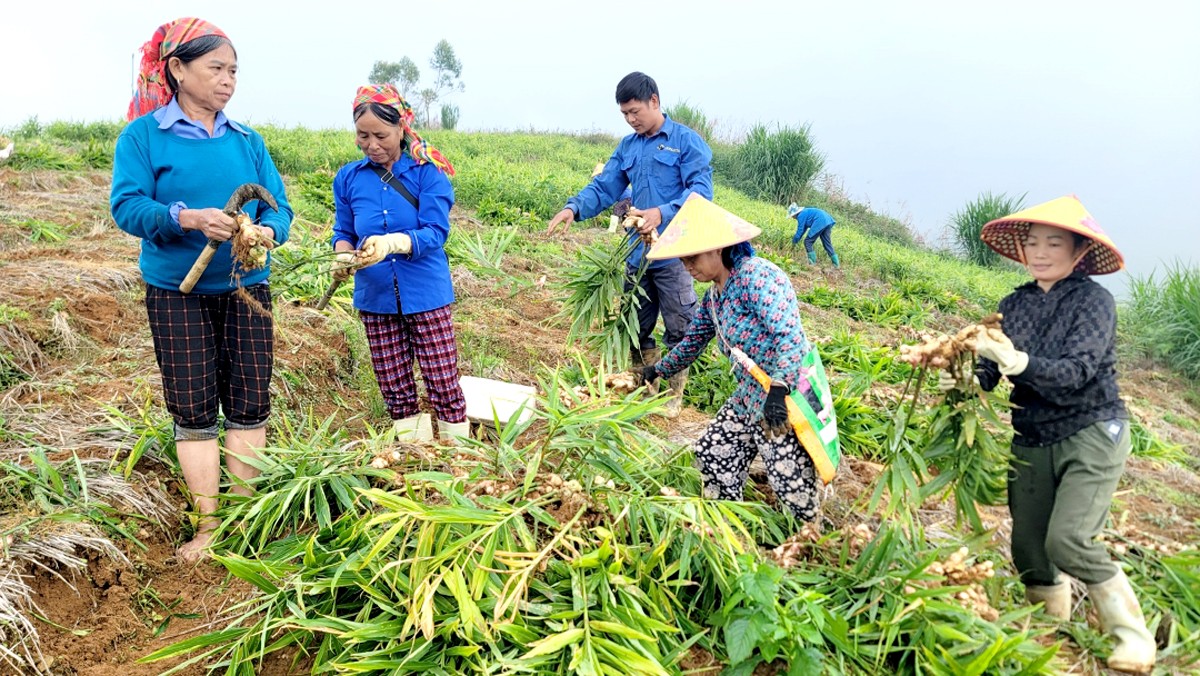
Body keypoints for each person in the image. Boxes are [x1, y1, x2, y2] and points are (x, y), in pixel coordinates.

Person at [939, 195, 1153, 673]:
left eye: (1054, 243)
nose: (1040, 252)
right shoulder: (1013, 304)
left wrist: (1020, 362)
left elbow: (1076, 372)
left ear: (1079, 252)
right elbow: (993, 372)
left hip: (1092, 428)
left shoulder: (1094, 302)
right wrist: (964, 378)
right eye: (1033, 242)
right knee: (1030, 551)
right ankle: (1049, 629)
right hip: (1032, 435)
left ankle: (1132, 638)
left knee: (1069, 540)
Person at [111, 17, 293, 563]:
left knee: (248, 402)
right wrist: (187, 218)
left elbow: (279, 210)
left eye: (233, 70)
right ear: (177, 70)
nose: (227, 80)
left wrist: (264, 232)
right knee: (193, 408)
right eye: (215, 68)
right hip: (177, 292)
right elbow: (127, 206)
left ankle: (242, 521)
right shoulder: (143, 137)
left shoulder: (247, 142)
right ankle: (209, 526)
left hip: (247, 289)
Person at [637, 195, 829, 521]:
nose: (687, 267)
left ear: (718, 248)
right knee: (712, 455)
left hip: (785, 398)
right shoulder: (714, 296)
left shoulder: (756, 277)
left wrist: (779, 393)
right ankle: (726, 528)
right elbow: (692, 343)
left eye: (692, 258)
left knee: (790, 485)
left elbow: (790, 337)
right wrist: (656, 370)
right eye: (683, 261)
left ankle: (812, 546)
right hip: (749, 397)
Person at [548, 72, 714, 417]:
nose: (631, 119)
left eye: (635, 111)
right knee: (635, 328)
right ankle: (642, 386)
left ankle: (671, 399)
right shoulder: (628, 147)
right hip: (638, 256)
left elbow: (701, 192)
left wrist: (663, 211)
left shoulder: (686, 142)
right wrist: (573, 207)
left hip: (676, 255)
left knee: (681, 327)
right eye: (625, 114)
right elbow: (606, 186)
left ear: (654, 101)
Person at [330, 84, 468, 444]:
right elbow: (343, 230)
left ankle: (459, 452)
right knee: (393, 380)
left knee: (441, 376)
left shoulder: (427, 171)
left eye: (381, 135)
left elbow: (436, 231)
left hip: (426, 292)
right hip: (375, 295)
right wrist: (343, 253)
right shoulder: (348, 177)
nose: (372, 145)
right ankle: (413, 450)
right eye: (363, 135)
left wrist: (395, 242)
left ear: (402, 128)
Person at [787, 203, 839, 267]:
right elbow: (803, 230)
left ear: (795, 214)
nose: (792, 217)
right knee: (827, 243)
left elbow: (800, 230)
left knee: (808, 242)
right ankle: (836, 265)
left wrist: (793, 242)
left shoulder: (801, 215)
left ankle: (812, 263)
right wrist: (797, 239)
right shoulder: (805, 212)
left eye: (792, 216)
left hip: (820, 221)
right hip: (827, 220)